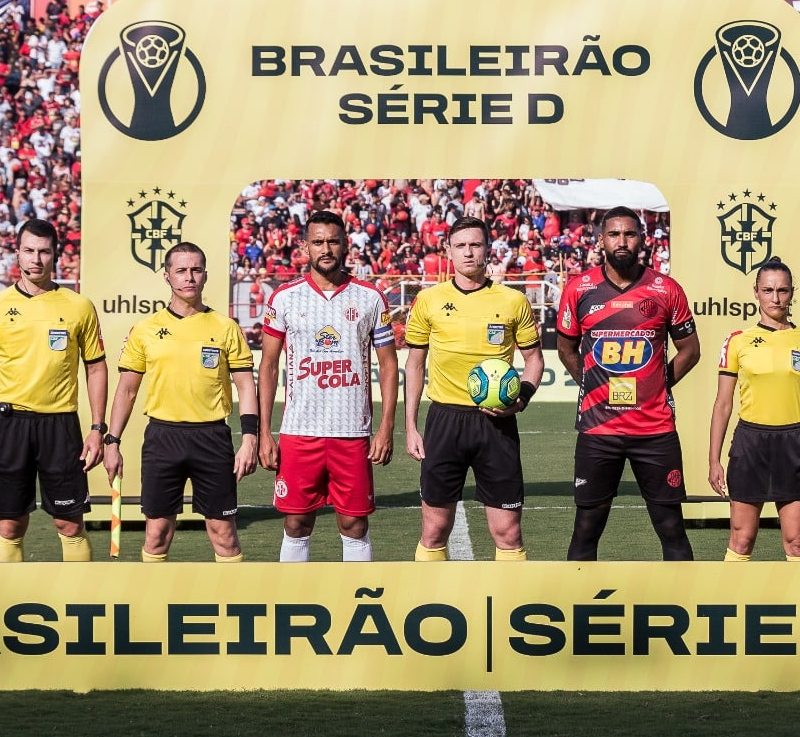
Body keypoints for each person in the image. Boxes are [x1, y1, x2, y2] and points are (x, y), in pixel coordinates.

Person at [0, 218, 108, 562]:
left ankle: (80, 605)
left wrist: (97, 428)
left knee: (69, 524)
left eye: (44, 252)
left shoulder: (78, 306)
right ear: (17, 253)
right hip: (12, 426)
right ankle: (9, 603)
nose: (36, 259)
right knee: (10, 525)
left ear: (56, 255)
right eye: (29, 251)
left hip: (61, 426)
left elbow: (96, 367)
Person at [556, 206, 701, 560]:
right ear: (601, 240)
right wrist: (590, 383)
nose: (622, 241)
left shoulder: (665, 289)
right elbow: (565, 348)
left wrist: (659, 385)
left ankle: (683, 608)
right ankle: (581, 612)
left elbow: (690, 351)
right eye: (614, 234)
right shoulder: (580, 288)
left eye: (629, 234)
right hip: (598, 431)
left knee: (671, 529)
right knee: (586, 530)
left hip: (654, 430)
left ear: (643, 239)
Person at [258, 210, 399, 562]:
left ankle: (356, 602)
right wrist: (264, 431)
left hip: (351, 432)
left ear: (345, 245)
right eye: (318, 242)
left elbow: (388, 365)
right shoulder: (284, 298)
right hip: (298, 431)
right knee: (296, 522)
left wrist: (386, 428)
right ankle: (293, 602)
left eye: (333, 241)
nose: (326, 249)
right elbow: (269, 367)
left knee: (354, 524)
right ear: (305, 246)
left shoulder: (370, 297)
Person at [104, 242, 256, 562]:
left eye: (196, 270)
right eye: (181, 271)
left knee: (224, 534)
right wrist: (111, 441)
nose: (189, 277)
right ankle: (154, 609)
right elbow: (127, 390)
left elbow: (245, 384)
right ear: (167, 276)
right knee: (157, 533)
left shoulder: (225, 327)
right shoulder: (144, 330)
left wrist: (250, 438)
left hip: (212, 438)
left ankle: (232, 602)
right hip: (163, 438)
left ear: (205, 276)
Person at [403, 216, 544, 561]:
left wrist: (521, 400)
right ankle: (432, 604)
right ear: (448, 251)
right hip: (444, 421)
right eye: (461, 245)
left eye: (476, 245)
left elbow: (534, 360)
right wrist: (410, 427)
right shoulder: (428, 299)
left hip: (496, 423)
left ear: (488, 250)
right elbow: (415, 364)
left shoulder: (513, 301)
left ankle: (510, 609)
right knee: (434, 530)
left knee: (508, 534)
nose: (469, 252)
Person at [707, 257, 800, 561]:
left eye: (782, 291)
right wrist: (714, 459)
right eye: (768, 290)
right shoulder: (738, 341)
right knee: (741, 539)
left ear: (792, 292)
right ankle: (732, 606)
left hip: (796, 445)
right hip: (750, 444)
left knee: (796, 542)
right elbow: (723, 403)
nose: (775, 298)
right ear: (756, 292)